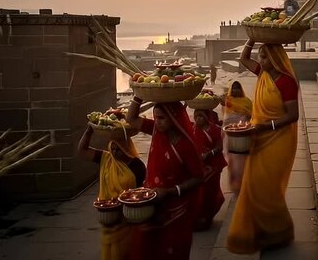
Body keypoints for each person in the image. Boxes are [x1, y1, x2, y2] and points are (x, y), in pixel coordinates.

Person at [227, 41, 299, 254]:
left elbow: (293, 115)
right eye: (260, 56)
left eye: (265, 57)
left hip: (278, 139)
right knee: (255, 184)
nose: (261, 60)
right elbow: (244, 59)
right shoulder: (263, 74)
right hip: (258, 137)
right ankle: (265, 232)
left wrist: (265, 126)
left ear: (275, 59)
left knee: (268, 186)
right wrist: (251, 40)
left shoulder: (287, 82)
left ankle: (278, 232)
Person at [126, 100, 204, 260]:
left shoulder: (185, 145)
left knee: (173, 251)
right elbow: (131, 118)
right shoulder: (155, 130)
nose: (157, 122)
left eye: (161, 118)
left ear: (173, 118)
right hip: (152, 204)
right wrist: (138, 97)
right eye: (155, 118)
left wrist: (170, 191)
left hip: (176, 209)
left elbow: (198, 178)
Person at [77, 127, 146, 260]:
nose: (114, 152)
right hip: (108, 216)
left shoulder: (137, 166)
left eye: (118, 149)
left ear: (126, 146)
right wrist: (88, 132)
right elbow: (82, 151)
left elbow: (140, 191)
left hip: (127, 218)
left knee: (127, 251)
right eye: (112, 148)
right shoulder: (106, 158)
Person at [192, 109, 227, 231]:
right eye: (196, 117)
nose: (198, 120)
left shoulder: (215, 129)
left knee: (210, 192)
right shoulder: (193, 129)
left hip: (213, 166)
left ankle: (207, 217)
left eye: (200, 117)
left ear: (206, 117)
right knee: (199, 193)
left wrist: (209, 154)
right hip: (199, 167)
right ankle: (198, 218)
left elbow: (220, 146)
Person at [220, 81, 253, 195]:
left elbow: (251, 116)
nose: (235, 91)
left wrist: (245, 119)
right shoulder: (227, 101)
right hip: (228, 135)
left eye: (237, 89)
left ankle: (243, 184)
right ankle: (234, 186)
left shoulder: (247, 102)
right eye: (233, 89)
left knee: (242, 161)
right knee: (231, 161)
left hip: (242, 135)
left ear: (241, 90)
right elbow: (225, 116)